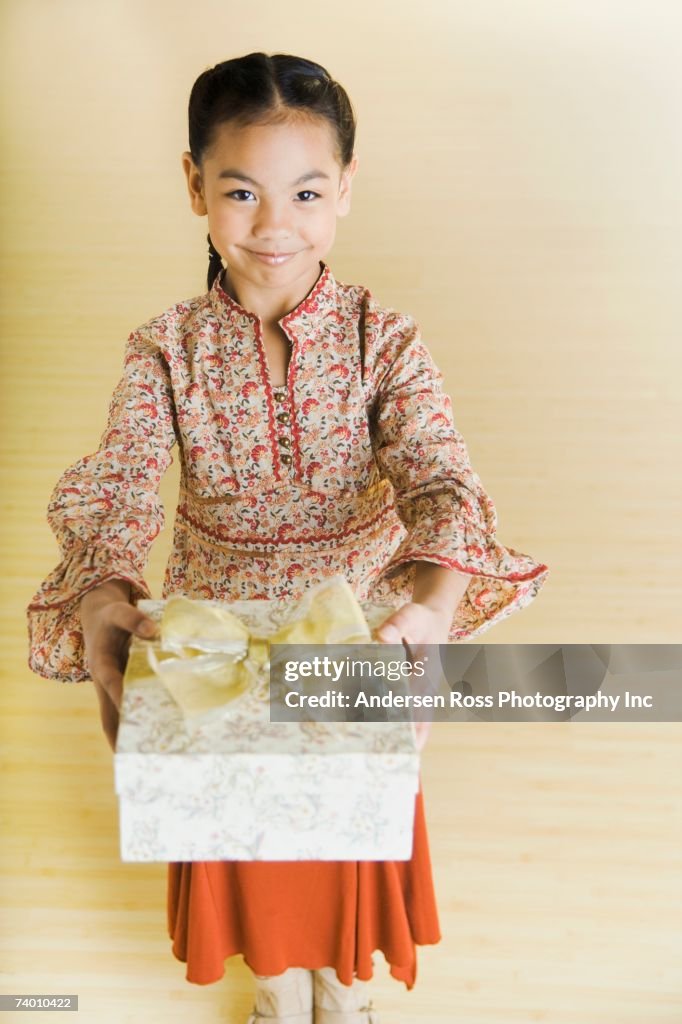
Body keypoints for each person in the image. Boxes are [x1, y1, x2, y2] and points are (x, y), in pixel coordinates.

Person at [26, 52, 549, 1024]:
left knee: (347, 834)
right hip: (214, 633)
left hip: (359, 634)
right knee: (245, 830)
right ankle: (271, 986)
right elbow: (125, 475)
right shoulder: (164, 349)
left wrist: (431, 608)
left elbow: (437, 473)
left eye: (306, 192)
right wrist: (103, 589)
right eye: (240, 191)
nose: (275, 225)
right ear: (194, 186)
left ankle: (343, 993)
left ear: (344, 190)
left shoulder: (383, 340)